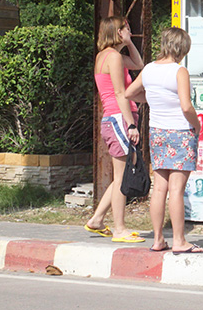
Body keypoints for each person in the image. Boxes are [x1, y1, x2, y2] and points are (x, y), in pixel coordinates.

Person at [125, 27, 203, 254]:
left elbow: (129, 93)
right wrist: (196, 125)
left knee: (159, 188)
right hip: (180, 131)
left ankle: (158, 239)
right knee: (177, 190)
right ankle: (179, 240)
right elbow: (186, 106)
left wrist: (152, 99)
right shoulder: (180, 71)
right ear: (182, 48)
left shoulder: (149, 69)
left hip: (157, 132)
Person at [85, 16, 145, 243]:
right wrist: (131, 124)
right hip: (120, 117)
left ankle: (97, 220)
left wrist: (129, 43)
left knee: (119, 175)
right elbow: (120, 93)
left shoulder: (107, 56)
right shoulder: (114, 58)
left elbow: (138, 64)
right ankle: (119, 229)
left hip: (112, 118)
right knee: (122, 177)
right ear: (117, 32)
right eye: (126, 29)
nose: (129, 30)